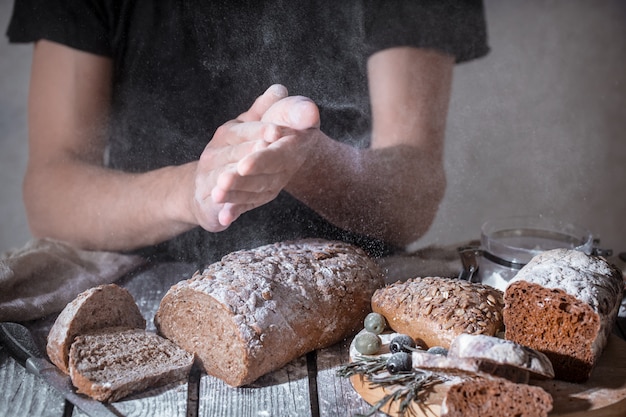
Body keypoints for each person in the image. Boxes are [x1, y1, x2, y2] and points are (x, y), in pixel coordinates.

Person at [6, 1, 489, 263]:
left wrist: (305, 159)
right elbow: (51, 192)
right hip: (145, 298)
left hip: (359, 306)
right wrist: (193, 191)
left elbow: (413, 197)